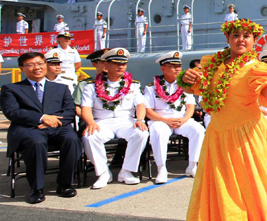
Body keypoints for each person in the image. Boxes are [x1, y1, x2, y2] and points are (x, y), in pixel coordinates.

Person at [178, 19, 267, 221]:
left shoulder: (256, 68)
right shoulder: (212, 64)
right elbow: (197, 90)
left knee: (244, 184)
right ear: (228, 39)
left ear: (254, 41)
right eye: (235, 34)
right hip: (218, 133)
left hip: (246, 134)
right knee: (221, 186)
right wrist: (187, 79)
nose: (241, 39)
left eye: (246, 35)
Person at [0, 52, 80, 203]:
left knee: (71, 139)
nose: (36, 67)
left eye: (40, 64)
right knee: (36, 142)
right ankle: (36, 189)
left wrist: (53, 122)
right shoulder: (11, 89)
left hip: (57, 126)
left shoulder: (61, 88)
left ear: (45, 65)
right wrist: (42, 118)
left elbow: (69, 111)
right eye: (30, 65)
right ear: (21, 68)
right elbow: (12, 112)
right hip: (29, 128)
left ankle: (65, 184)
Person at [81, 48, 149, 189]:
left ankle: (126, 171)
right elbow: (86, 108)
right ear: (106, 66)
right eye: (116, 63)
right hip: (102, 121)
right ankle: (103, 173)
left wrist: (140, 120)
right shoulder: (91, 86)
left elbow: (140, 105)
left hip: (126, 121)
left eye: (123, 64)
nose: (120, 67)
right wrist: (90, 122)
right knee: (89, 137)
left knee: (141, 133)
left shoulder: (133, 85)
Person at [143, 51, 205, 183]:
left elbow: (190, 107)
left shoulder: (185, 85)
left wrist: (184, 119)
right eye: (172, 66)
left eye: (179, 66)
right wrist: (165, 120)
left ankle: (192, 165)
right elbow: (148, 111)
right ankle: (161, 168)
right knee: (158, 132)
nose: (177, 69)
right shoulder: (151, 87)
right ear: (163, 68)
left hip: (181, 119)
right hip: (160, 120)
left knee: (198, 130)